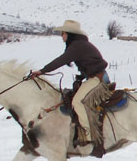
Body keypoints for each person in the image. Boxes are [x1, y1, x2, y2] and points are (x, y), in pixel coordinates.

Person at [28, 20, 109, 153]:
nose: (62, 36)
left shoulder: (77, 46)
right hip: (95, 77)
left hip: (98, 79)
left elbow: (61, 60)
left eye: (63, 33)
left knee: (77, 102)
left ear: (70, 34)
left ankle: (88, 136)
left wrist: (42, 71)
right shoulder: (80, 44)